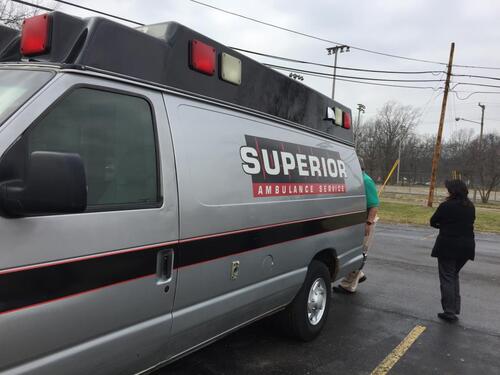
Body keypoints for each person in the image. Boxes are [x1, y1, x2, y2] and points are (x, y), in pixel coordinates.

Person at [430, 179, 475, 322]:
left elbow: (433, 221)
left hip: (448, 246)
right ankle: (454, 308)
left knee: (447, 277)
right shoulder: (470, 206)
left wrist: (443, 226)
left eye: (448, 189)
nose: (446, 191)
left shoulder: (446, 206)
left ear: (452, 191)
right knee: (453, 275)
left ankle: (449, 311)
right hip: (467, 246)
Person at [335, 158, 379, 293]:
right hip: (356, 222)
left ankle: (348, 285)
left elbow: (373, 206)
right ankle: (358, 275)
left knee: (361, 251)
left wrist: (368, 223)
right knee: (352, 250)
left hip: (365, 222)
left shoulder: (366, 181)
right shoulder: (355, 181)